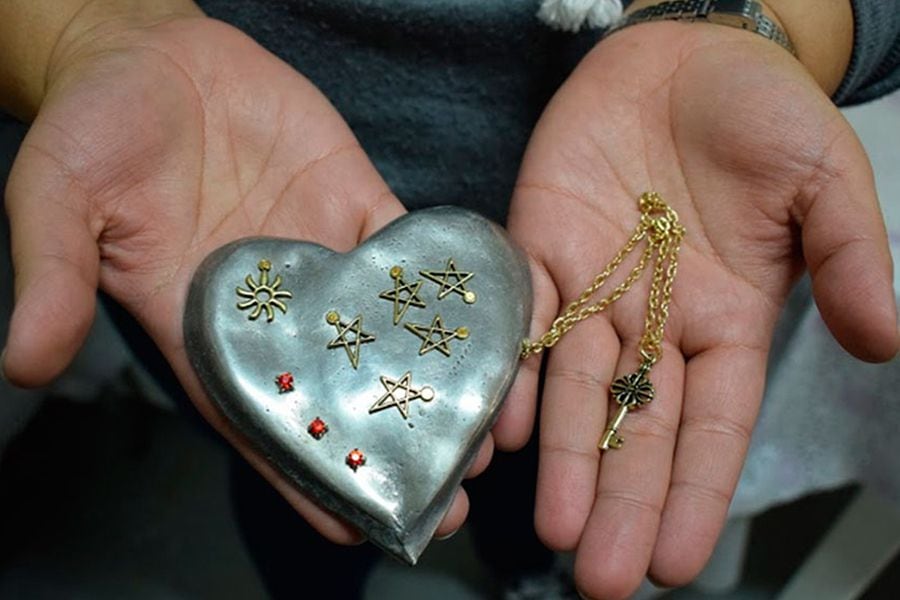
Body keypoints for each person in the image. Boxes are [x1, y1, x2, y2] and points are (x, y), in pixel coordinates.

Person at [1, 1, 898, 598]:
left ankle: (520, 571)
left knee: (535, 481)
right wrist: (85, 27)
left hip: (579, 270)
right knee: (282, 481)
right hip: (211, 216)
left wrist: (754, 20)